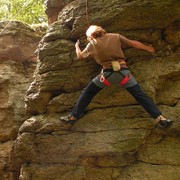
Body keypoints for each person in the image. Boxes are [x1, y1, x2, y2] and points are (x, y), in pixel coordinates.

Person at [61, 25, 173, 128]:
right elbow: (133, 43)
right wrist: (148, 48)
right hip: (124, 74)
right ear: (101, 30)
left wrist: (77, 46)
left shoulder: (92, 44)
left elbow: (80, 56)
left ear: (90, 36)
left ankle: (72, 117)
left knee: (88, 92)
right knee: (141, 96)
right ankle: (160, 118)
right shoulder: (115, 36)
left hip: (106, 76)